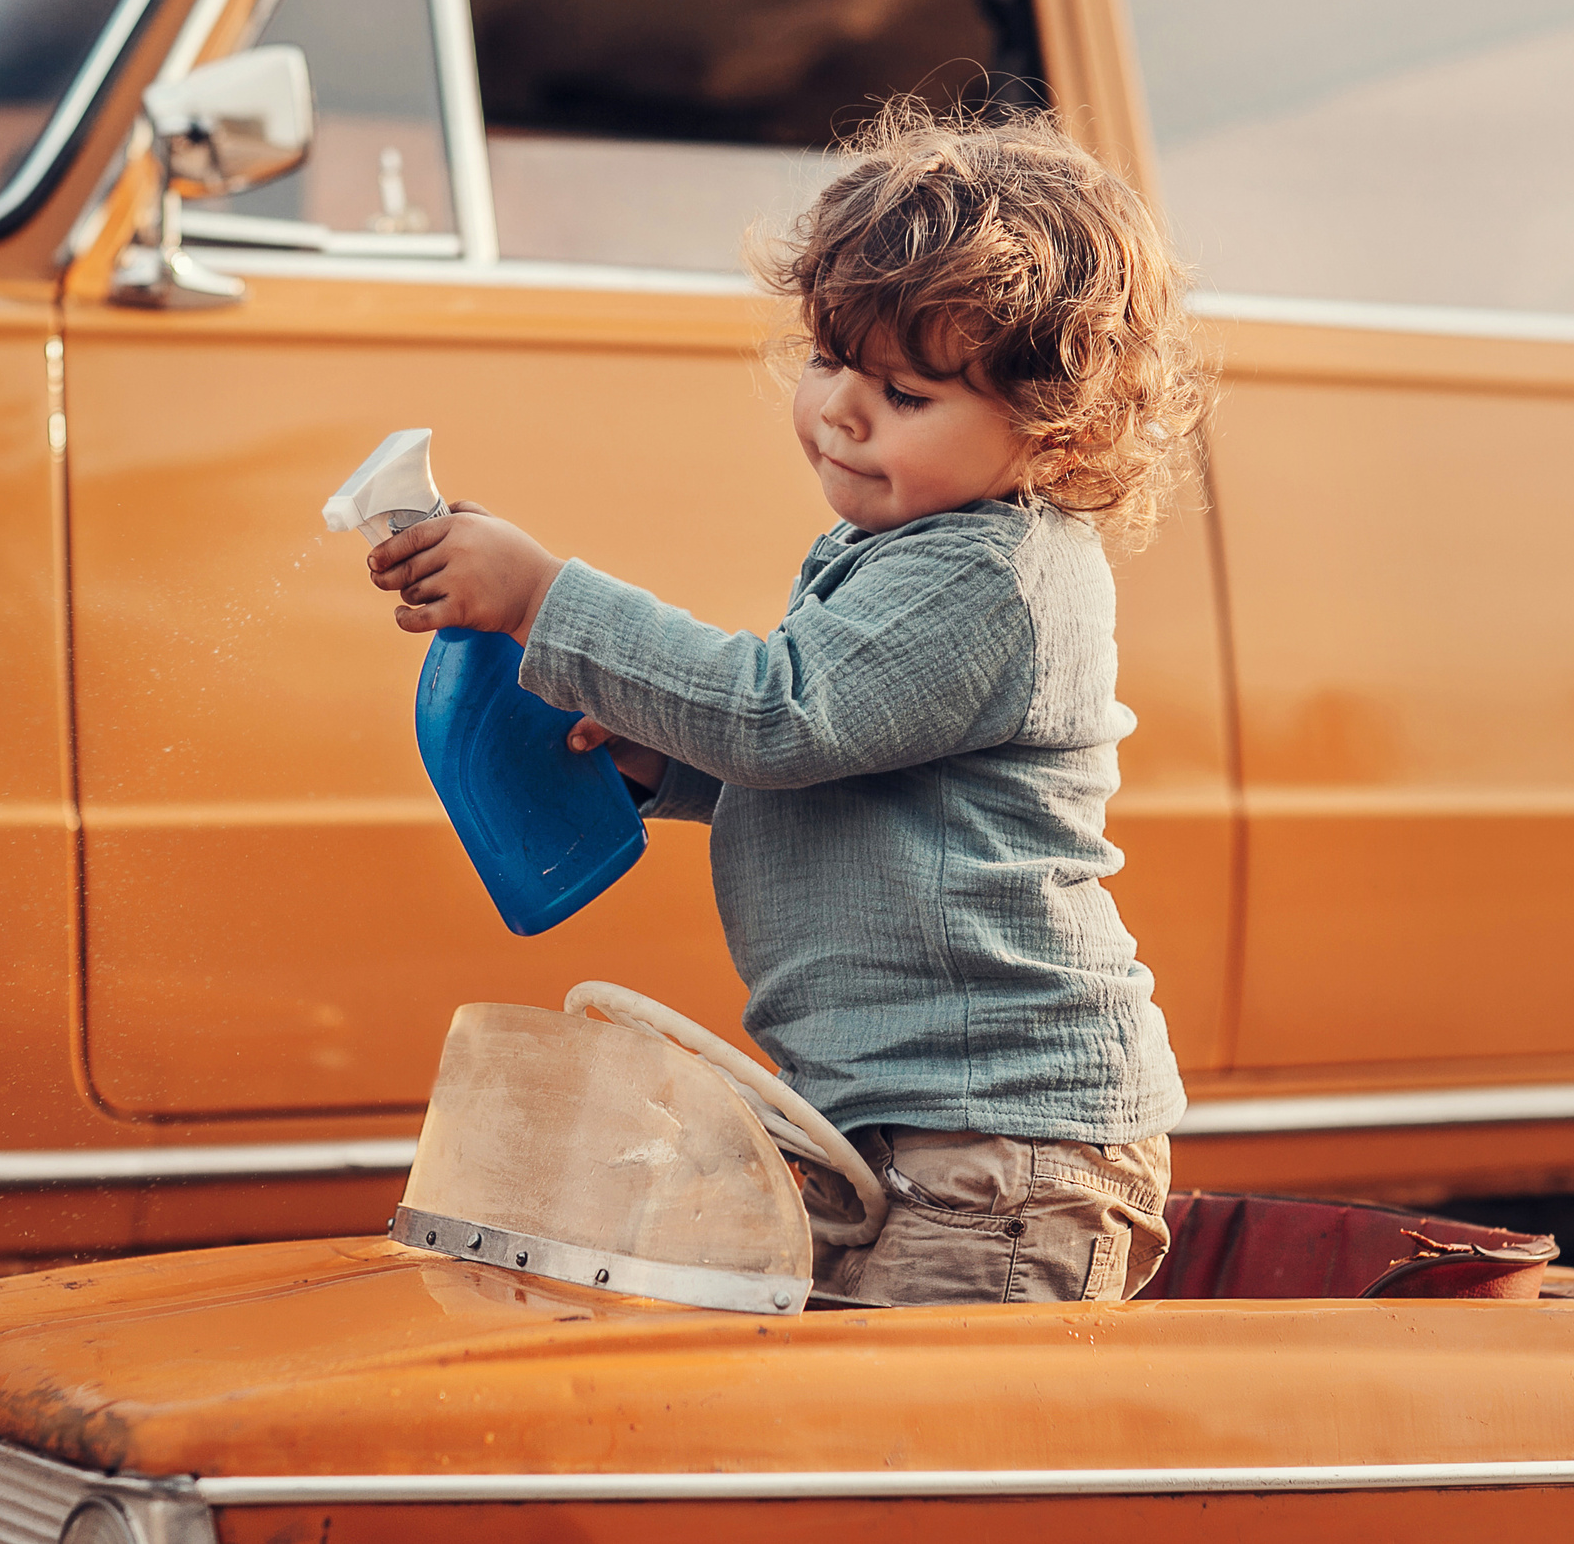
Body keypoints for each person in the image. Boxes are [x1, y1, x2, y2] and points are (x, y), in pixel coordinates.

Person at [365, 102, 1211, 1305]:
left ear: (1056, 426)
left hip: (1007, 1150)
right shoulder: (901, 552)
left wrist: (544, 601)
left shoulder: (995, 575)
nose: (841, 414)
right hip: (896, 1121)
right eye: (829, 363)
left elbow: (781, 717)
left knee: (927, 1458)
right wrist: (666, 764)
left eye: (907, 395)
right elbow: (831, 762)